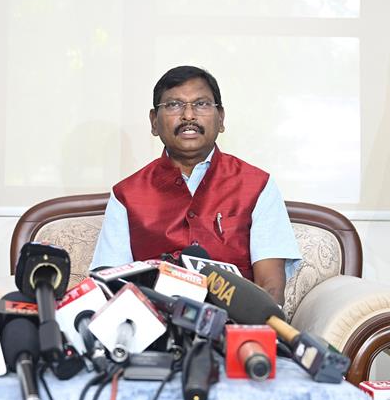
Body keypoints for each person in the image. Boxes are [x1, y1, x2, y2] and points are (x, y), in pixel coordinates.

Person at [90, 65, 300, 304]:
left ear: (220, 118)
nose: (188, 115)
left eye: (201, 104)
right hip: (154, 331)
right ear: (154, 122)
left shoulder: (258, 186)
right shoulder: (126, 195)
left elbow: (270, 288)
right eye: (173, 105)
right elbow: (109, 287)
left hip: (234, 331)